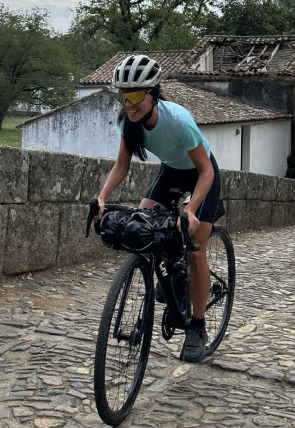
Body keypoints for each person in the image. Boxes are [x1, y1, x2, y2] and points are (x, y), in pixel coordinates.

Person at [95, 54, 221, 363]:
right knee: (145, 224)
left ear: (153, 93)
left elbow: (206, 171)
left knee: (195, 249)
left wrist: (190, 209)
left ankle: (197, 326)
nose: (129, 103)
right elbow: (121, 165)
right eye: (124, 96)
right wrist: (101, 197)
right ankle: (173, 277)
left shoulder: (178, 120)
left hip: (201, 174)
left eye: (136, 95)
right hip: (171, 172)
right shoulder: (130, 123)